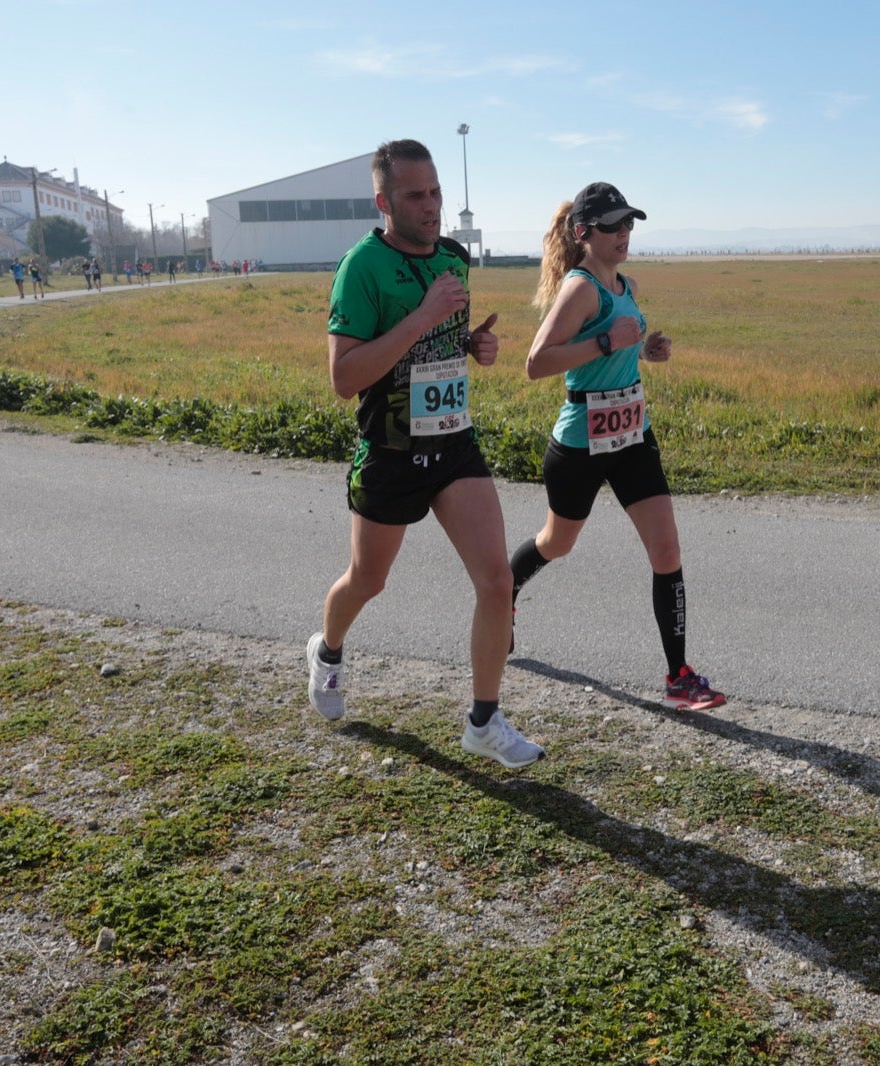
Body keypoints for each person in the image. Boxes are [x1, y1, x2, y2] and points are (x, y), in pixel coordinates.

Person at [307, 138, 541, 769]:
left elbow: (438, 338)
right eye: (417, 195)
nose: (432, 205)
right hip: (388, 448)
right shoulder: (361, 267)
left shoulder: (454, 259)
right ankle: (327, 651)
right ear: (384, 201)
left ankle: (484, 721)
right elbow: (344, 376)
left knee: (496, 581)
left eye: (436, 191)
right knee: (368, 580)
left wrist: (471, 343)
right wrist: (424, 315)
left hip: (453, 442)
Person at [507, 182, 725, 712]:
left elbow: (622, 349)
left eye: (630, 224)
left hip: (631, 436)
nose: (625, 233)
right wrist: (608, 340)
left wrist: (647, 350)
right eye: (614, 225)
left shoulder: (624, 284)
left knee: (667, 551)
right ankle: (504, 592)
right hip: (582, 440)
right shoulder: (580, 288)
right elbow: (537, 363)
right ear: (585, 234)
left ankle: (679, 675)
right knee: (557, 543)